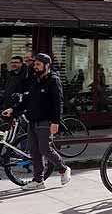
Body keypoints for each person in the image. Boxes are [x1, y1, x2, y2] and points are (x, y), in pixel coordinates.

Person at [2, 54, 70, 190]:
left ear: (47, 65)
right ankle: (38, 181)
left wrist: (55, 122)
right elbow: (27, 101)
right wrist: (13, 110)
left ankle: (63, 168)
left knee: (45, 149)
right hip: (32, 121)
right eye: (35, 64)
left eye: (38, 64)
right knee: (34, 152)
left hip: (46, 121)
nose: (35, 67)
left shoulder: (53, 80)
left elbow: (58, 103)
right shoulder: (35, 79)